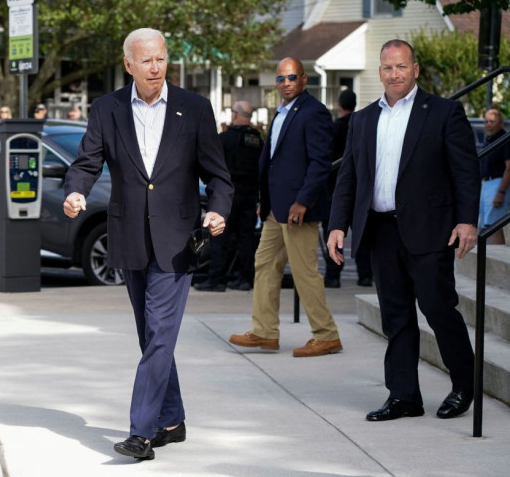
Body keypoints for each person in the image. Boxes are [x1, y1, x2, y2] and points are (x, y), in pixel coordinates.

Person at [63, 28, 233, 461]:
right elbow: (87, 161)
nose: (156, 67)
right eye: (147, 61)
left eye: (161, 59)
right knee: (150, 334)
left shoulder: (194, 109)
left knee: (159, 333)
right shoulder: (108, 108)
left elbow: (218, 175)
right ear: (129, 65)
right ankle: (172, 420)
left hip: (177, 241)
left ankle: (141, 433)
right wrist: (75, 190)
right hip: (129, 237)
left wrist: (218, 209)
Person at [328, 39, 479, 421]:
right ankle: (404, 396)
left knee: (437, 309)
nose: (394, 74)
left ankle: (464, 385)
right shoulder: (363, 120)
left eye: (401, 66)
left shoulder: (444, 112)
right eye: (386, 67)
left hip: (430, 230)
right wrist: (336, 225)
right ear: (379, 72)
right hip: (381, 231)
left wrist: (467, 220)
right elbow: (349, 177)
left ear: (415, 69)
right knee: (395, 316)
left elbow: (465, 171)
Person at [229, 57, 343, 358]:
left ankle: (326, 334)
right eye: (281, 79)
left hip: (297, 209)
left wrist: (303, 201)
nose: (286, 83)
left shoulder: (314, 112)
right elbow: (272, 162)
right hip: (273, 209)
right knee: (264, 265)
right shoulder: (281, 112)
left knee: (305, 272)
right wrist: (262, 201)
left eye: (292, 77)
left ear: (304, 79)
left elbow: (320, 163)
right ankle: (265, 332)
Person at [195, 100, 262, 292]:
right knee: (246, 238)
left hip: (228, 195)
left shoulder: (226, 139)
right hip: (250, 195)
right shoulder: (258, 140)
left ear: (235, 114)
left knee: (219, 237)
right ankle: (245, 279)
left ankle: (216, 279)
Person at [323, 89, 373, 288]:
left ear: (340, 105)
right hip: (360, 189)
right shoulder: (364, 126)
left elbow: (327, 156)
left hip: (337, 189)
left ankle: (333, 276)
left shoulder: (335, 128)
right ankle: (365, 275)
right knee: (361, 236)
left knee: (334, 234)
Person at [479, 108, 510, 244]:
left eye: (492, 121)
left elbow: (509, 168)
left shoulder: (505, 139)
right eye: (486, 121)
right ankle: (487, 261)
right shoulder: (489, 140)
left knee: (493, 226)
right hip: (485, 184)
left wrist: (501, 192)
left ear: (500, 122)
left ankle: (496, 260)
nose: (488, 124)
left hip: (498, 183)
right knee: (486, 225)